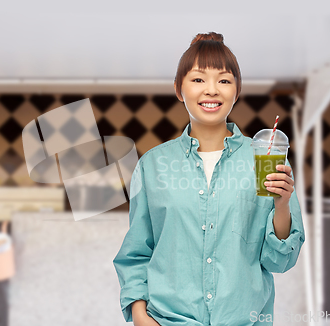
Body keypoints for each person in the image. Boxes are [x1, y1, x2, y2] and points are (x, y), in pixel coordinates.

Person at [112, 32, 305, 326]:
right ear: (179, 89)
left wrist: (282, 205)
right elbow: (137, 252)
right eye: (198, 79)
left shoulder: (265, 160)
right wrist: (140, 316)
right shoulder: (153, 165)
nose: (211, 90)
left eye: (224, 80)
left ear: (236, 90)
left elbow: (279, 262)